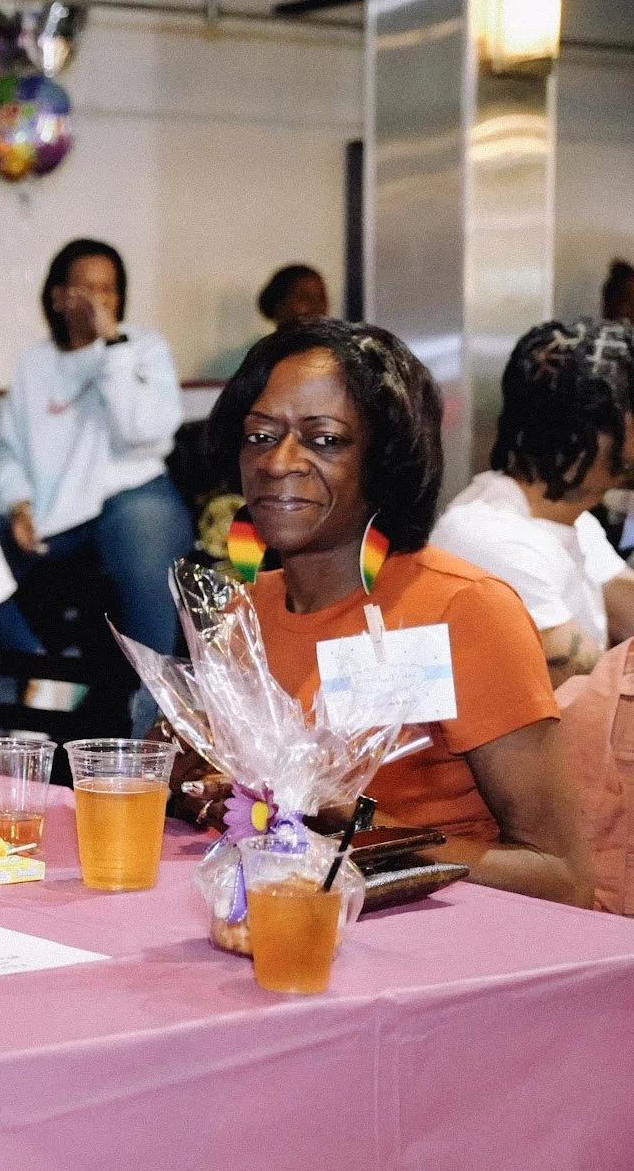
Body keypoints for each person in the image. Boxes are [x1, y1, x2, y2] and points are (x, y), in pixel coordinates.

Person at [186, 318, 589, 906]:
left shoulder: (462, 610)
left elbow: (563, 879)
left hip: (448, 943)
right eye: (261, 436)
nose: (278, 463)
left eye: (324, 440)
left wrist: (355, 825)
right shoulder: (242, 614)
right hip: (280, 921)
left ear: (386, 459)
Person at [0, 238, 194, 656]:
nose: (98, 300)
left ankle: (152, 706)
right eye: (86, 289)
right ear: (58, 298)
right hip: (53, 514)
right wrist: (18, 504)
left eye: (108, 289)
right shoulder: (33, 362)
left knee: (144, 538)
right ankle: (41, 675)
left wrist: (113, 347)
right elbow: (8, 452)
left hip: (133, 494)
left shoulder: (142, 347)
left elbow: (143, 434)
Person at [429, 319, 634, 687]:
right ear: (581, 433)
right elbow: (591, 688)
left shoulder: (571, 515)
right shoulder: (489, 538)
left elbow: (626, 608)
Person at [257, 264, 329, 329]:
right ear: (279, 306)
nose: (316, 306)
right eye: (304, 297)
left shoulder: (333, 341)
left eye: (321, 298)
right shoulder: (271, 343)